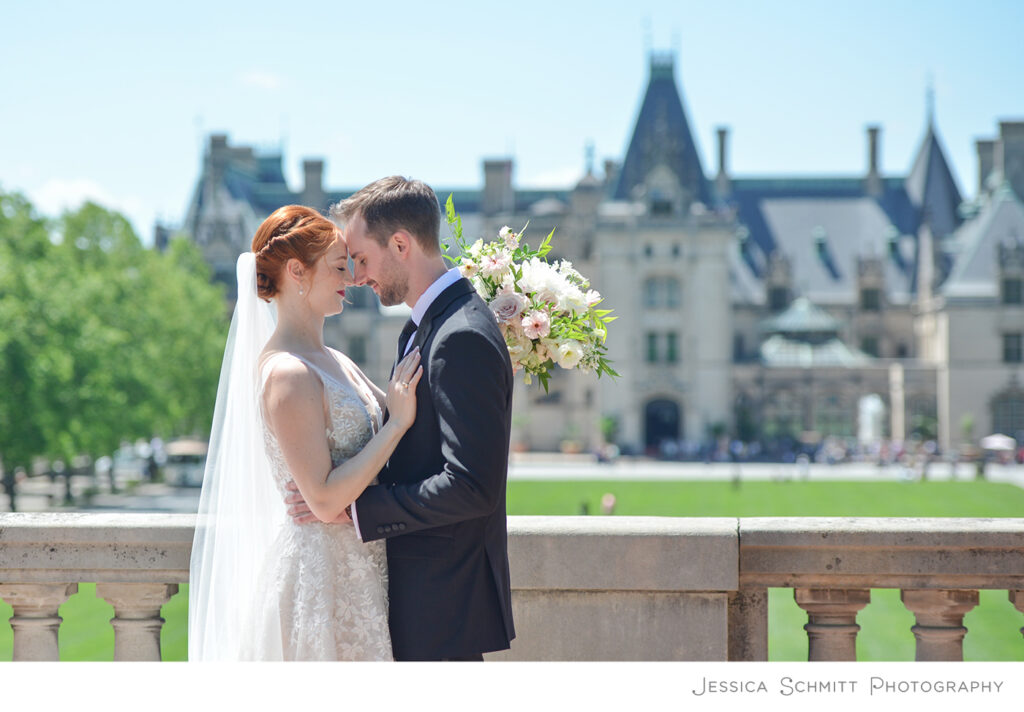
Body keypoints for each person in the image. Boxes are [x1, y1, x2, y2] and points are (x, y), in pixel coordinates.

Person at [287, 176, 516, 661]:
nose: (356, 277)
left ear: (400, 244)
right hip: (420, 599)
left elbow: (471, 486)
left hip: (442, 607)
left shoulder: (460, 336)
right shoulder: (427, 326)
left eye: (361, 259)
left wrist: (357, 510)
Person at [188, 205, 423, 661]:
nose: (352, 277)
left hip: (365, 569)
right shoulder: (287, 374)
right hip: (323, 581)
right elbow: (325, 500)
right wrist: (394, 425)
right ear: (297, 271)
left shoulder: (337, 360)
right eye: (338, 266)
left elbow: (412, 414)